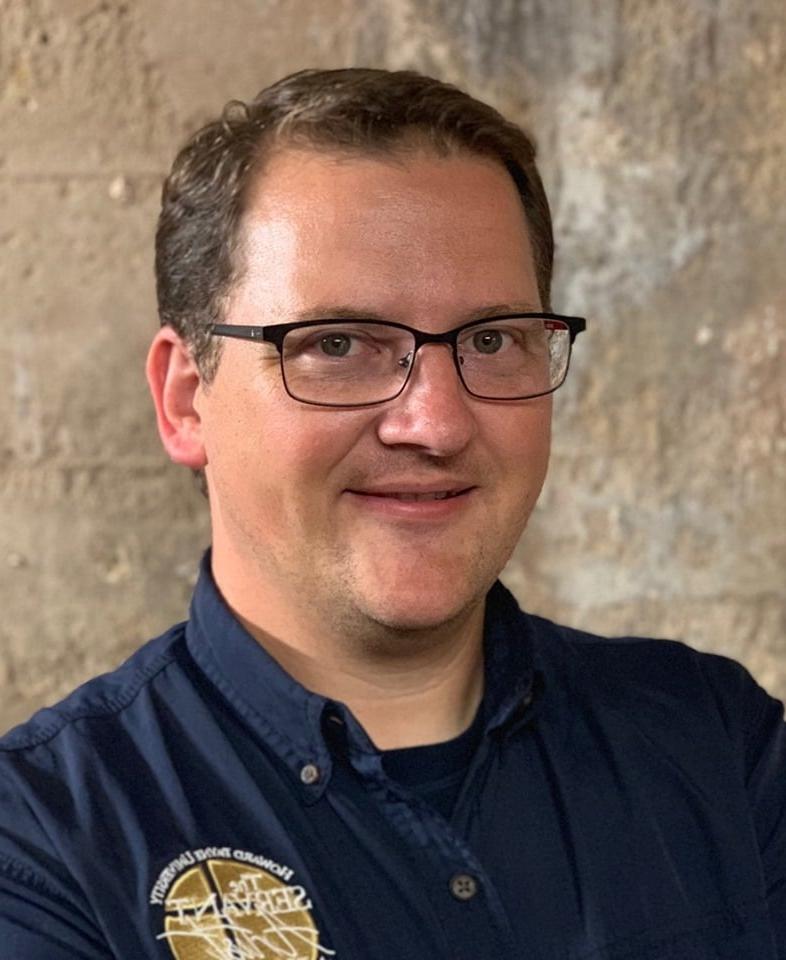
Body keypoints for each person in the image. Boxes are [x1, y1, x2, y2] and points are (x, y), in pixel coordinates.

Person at [0, 67, 783, 960]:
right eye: (337, 346)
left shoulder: (719, 745)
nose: (438, 423)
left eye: (492, 341)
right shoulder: (44, 847)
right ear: (187, 400)